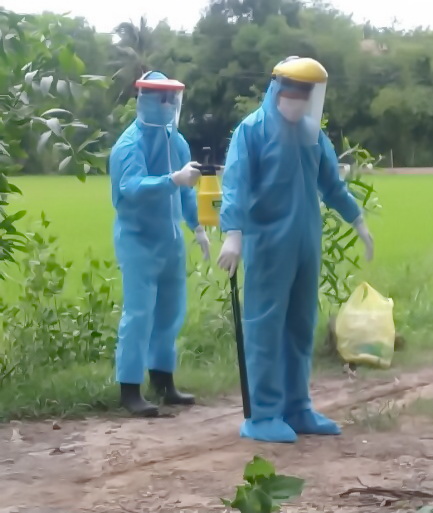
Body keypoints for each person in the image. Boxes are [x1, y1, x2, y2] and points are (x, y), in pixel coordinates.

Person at [217, 56, 374, 443]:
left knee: (301, 325)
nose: (300, 98)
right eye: (294, 89)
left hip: (306, 242)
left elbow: (331, 185)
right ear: (277, 88)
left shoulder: (311, 134)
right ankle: (263, 413)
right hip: (269, 244)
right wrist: (233, 233)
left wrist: (357, 219)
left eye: (307, 92)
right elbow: (236, 184)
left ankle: (297, 406)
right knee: (265, 327)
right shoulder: (252, 131)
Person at [109, 71, 211, 417]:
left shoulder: (175, 140)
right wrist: (172, 179)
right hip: (138, 240)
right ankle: (129, 388)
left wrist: (197, 226)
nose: (168, 105)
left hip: (170, 240)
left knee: (170, 312)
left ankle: (163, 381)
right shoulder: (129, 145)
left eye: (172, 99)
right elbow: (131, 188)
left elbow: (186, 189)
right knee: (139, 313)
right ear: (146, 99)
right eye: (162, 98)